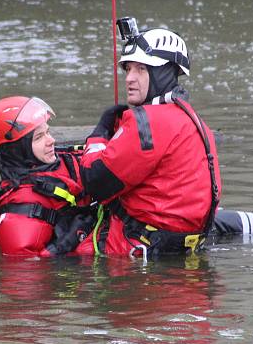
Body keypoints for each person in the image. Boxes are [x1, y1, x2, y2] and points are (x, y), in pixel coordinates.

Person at [73, 18, 222, 257]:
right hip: (181, 250)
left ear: (163, 73)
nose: (130, 78)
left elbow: (95, 182)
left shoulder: (148, 122)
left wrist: (99, 136)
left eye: (141, 69)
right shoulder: (192, 118)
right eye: (128, 68)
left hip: (131, 251)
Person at [0, 96, 94, 256]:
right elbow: (25, 275)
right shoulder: (20, 219)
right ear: (18, 149)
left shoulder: (52, 164)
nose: (51, 141)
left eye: (48, 132)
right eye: (39, 137)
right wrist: (72, 238)